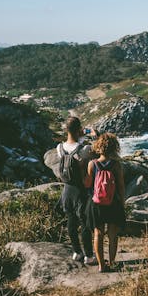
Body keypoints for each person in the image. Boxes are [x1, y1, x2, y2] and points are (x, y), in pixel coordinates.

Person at [56, 116, 97, 265]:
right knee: (85, 223)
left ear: (66, 130)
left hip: (67, 190)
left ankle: (76, 252)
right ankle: (89, 256)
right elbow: (98, 150)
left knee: (71, 221)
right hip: (81, 190)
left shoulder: (59, 148)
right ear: (79, 129)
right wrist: (93, 135)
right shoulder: (84, 149)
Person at [84, 133, 126, 273]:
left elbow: (88, 184)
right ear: (114, 147)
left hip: (96, 203)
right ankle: (112, 263)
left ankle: (102, 265)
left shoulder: (92, 164)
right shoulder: (116, 165)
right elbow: (120, 185)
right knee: (113, 234)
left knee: (98, 233)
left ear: (99, 146)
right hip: (113, 203)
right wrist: (122, 201)